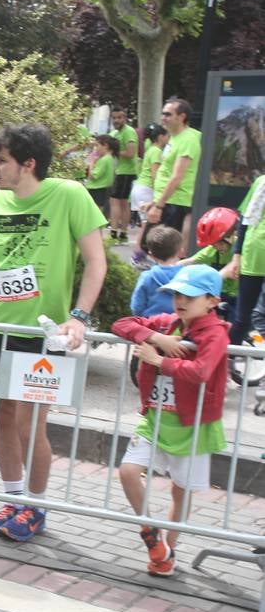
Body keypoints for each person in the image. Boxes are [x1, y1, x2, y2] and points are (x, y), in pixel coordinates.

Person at [0, 124, 107, 542]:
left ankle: (36, 505)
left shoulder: (69, 195)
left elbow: (96, 262)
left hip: (43, 333)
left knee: (32, 425)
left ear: (28, 164)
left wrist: (79, 316)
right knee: (5, 417)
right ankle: (14, 499)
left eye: (2, 161)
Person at [112, 264, 229, 576]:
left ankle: (167, 551)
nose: (181, 300)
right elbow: (121, 323)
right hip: (154, 418)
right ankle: (150, 534)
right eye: (177, 293)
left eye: (190, 295)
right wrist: (156, 338)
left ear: (212, 301)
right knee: (127, 471)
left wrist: (159, 361)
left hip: (192, 426)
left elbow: (202, 371)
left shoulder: (216, 332)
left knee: (181, 490)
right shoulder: (167, 323)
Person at [148, 98, 202, 258]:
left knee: (166, 252)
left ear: (182, 116)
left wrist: (159, 205)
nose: (163, 118)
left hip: (177, 202)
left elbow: (177, 176)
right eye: (162, 114)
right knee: (157, 249)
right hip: (169, 201)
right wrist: (155, 201)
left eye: (168, 114)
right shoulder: (174, 137)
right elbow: (167, 170)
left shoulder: (188, 139)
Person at [180, 207, 240, 324]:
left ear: (230, 236)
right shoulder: (213, 249)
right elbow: (192, 260)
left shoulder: (239, 250)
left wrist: (211, 279)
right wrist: (170, 266)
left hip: (237, 298)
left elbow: (229, 270)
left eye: (218, 244)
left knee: (236, 326)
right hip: (219, 296)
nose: (215, 247)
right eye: (212, 244)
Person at [230, 173, 265, 344]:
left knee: (259, 318)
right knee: (242, 318)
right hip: (252, 259)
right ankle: (227, 362)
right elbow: (244, 221)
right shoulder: (260, 182)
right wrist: (236, 256)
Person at [130, 124, 168, 264]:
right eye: (166, 135)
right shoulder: (157, 152)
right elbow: (155, 175)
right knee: (146, 225)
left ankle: (140, 256)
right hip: (147, 190)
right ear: (160, 137)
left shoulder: (151, 149)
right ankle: (138, 256)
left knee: (144, 224)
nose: (168, 138)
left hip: (140, 188)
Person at [130, 226, 182, 317]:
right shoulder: (187, 275)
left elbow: (136, 307)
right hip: (178, 324)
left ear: (151, 254)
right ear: (180, 252)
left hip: (151, 325)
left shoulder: (146, 277)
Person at [110, 108, 139, 241]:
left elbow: (130, 153)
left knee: (117, 202)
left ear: (125, 118)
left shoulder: (128, 132)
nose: (116, 120)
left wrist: (113, 152)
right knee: (121, 203)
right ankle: (121, 232)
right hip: (120, 171)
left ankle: (116, 231)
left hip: (127, 172)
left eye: (119, 117)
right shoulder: (116, 133)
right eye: (114, 117)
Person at [84, 134, 118, 221]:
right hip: (103, 188)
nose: (96, 148)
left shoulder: (104, 159)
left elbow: (93, 176)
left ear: (105, 145)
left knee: (95, 213)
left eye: (97, 145)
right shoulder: (110, 158)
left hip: (97, 188)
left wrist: (92, 163)